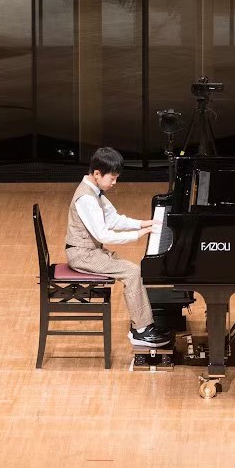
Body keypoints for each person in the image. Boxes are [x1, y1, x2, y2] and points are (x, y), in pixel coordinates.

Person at [65, 147, 172, 348]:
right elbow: (103, 235)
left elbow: (113, 219)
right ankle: (141, 330)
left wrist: (142, 223)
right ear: (97, 174)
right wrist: (138, 235)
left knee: (133, 271)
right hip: (82, 255)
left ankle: (142, 325)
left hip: (91, 251)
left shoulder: (94, 191)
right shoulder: (86, 198)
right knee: (133, 272)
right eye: (112, 178)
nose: (114, 183)